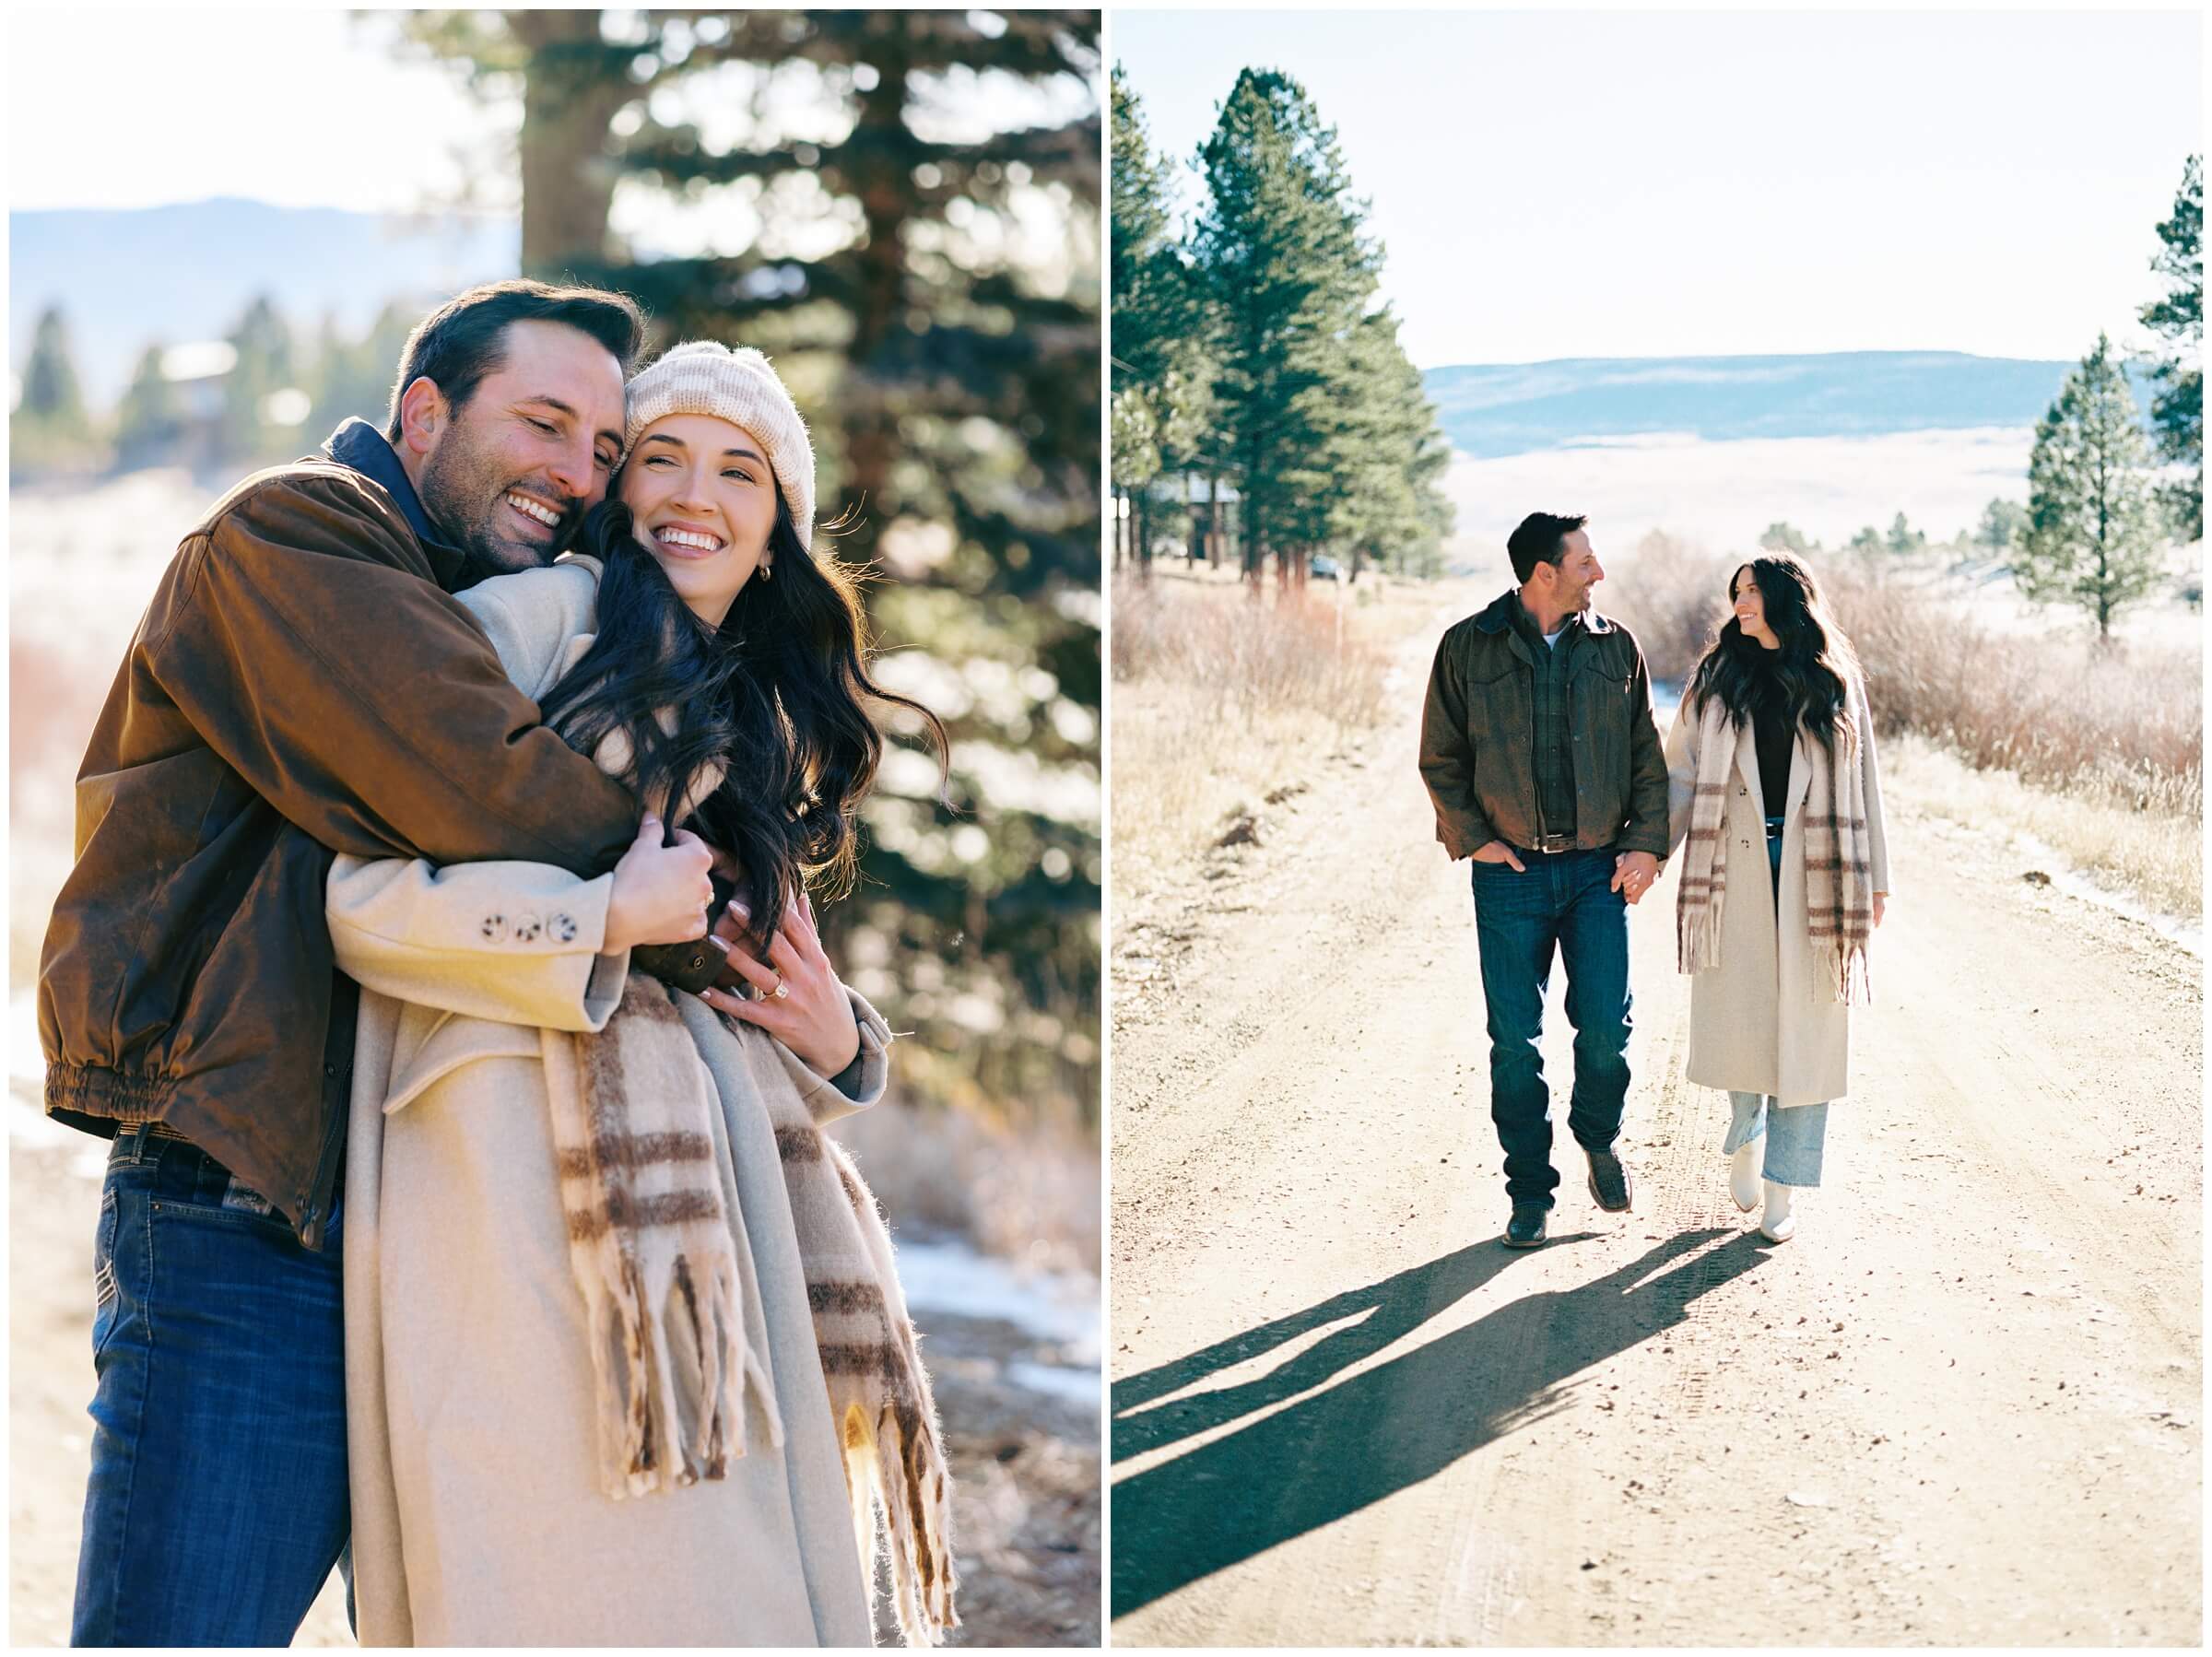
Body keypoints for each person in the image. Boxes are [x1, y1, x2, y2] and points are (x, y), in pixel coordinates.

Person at [41, 279, 730, 1646]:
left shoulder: (497, 609)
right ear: (424, 412)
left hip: (433, 1232)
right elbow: (475, 783)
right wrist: (690, 901)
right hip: (250, 1217)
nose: (576, 475)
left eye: (603, 451)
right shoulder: (291, 537)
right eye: (542, 423)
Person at [331, 342, 958, 1646]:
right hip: (508, 1198)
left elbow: (719, 1010)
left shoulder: (750, 713)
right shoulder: (535, 625)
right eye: (658, 456)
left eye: (740, 469)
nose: (694, 493)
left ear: (778, 524)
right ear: (616, 499)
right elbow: (358, 900)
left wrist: (840, 1046)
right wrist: (600, 915)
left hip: (705, 1249)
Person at [1418, 512, 1669, 1249]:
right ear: (1543, 574)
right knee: (1514, 1044)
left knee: (1603, 1033)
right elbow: (1441, 759)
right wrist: (1476, 842)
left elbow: (1645, 756)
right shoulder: (1469, 646)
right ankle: (1529, 1194)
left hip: (1597, 872)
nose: (1599, 573)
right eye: (1586, 561)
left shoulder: (1616, 647)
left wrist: (1647, 847)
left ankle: (1597, 1137)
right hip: (1512, 878)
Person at [1663, 554, 1890, 1242]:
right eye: (1736, 594)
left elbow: (1867, 781)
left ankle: (1782, 1189)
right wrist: (1647, 853)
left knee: (1808, 1032)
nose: (1741, 605)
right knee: (1744, 1016)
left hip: (1816, 872)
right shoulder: (1715, 677)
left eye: (1754, 592)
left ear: (1789, 599)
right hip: (1733, 865)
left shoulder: (1832, 681)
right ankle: (1747, 1132)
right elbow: (1680, 776)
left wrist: (1876, 879)